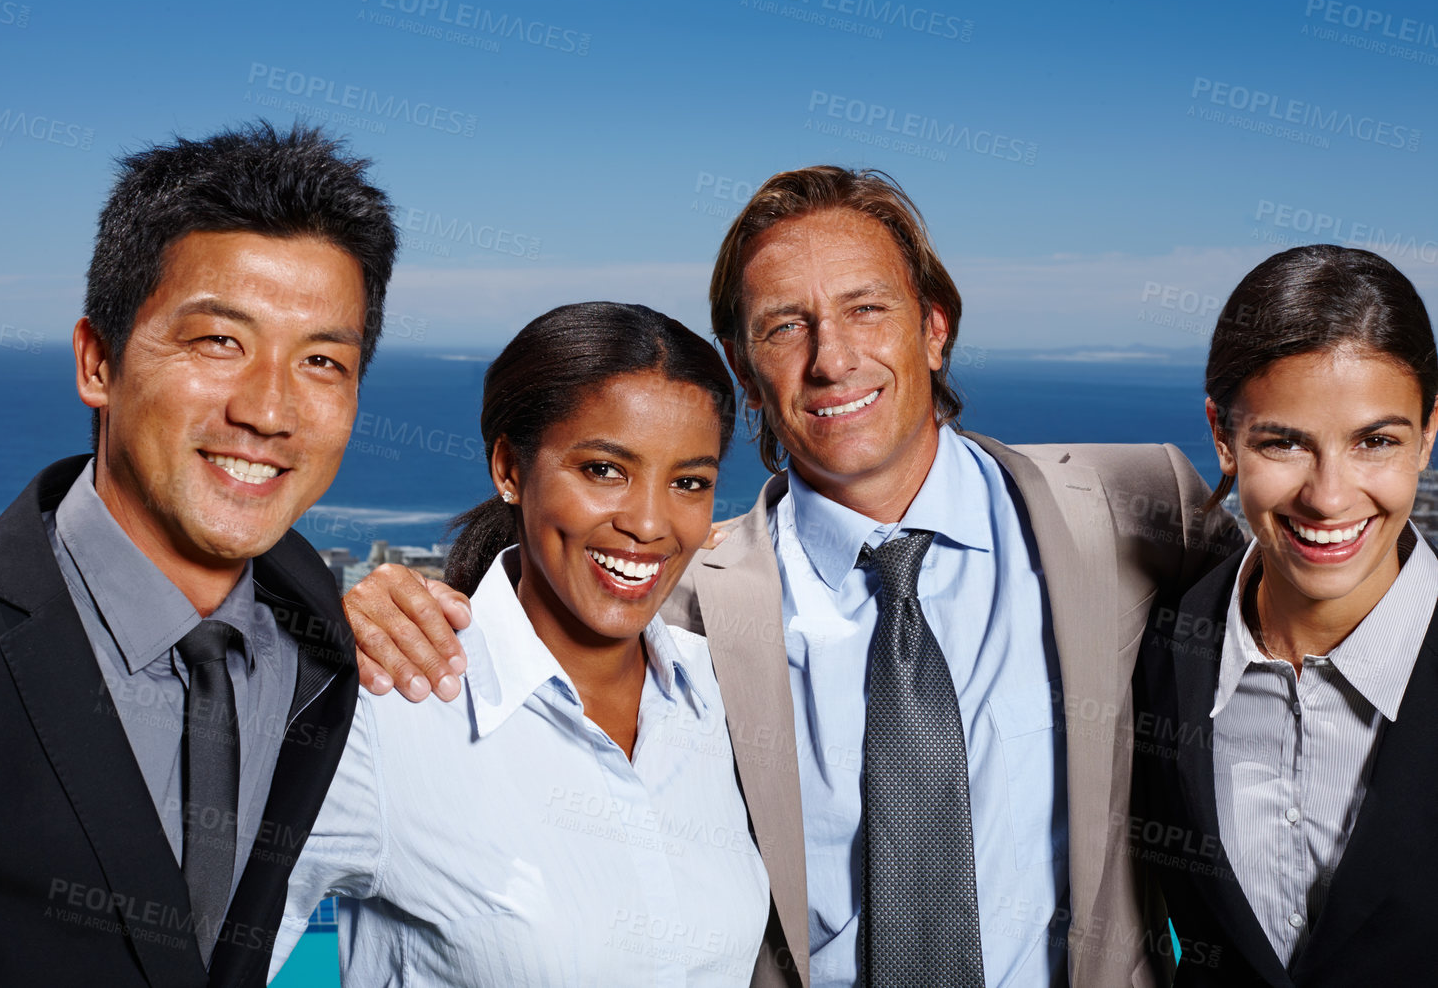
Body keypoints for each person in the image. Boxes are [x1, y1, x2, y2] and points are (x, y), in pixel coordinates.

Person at [348, 165, 1243, 988]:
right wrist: (360, 610)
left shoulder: (1133, 503)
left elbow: (1301, 632)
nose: (832, 357)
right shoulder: (680, 601)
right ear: (743, 368)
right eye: (785, 325)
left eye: (866, 310)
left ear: (934, 327)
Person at [0, 122, 410, 987]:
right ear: (97, 360)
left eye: (321, 359)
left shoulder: (324, 648)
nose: (269, 411)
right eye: (218, 342)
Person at [268, 302, 770, 985]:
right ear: (509, 466)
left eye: (689, 482)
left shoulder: (722, 699)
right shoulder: (390, 711)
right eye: (603, 469)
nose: (650, 522)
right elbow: (196, 944)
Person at [1132, 245, 1438, 986]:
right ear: (1222, 437)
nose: (1329, 497)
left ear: (1429, 433)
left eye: (1377, 440)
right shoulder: (1161, 657)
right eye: (1283, 442)